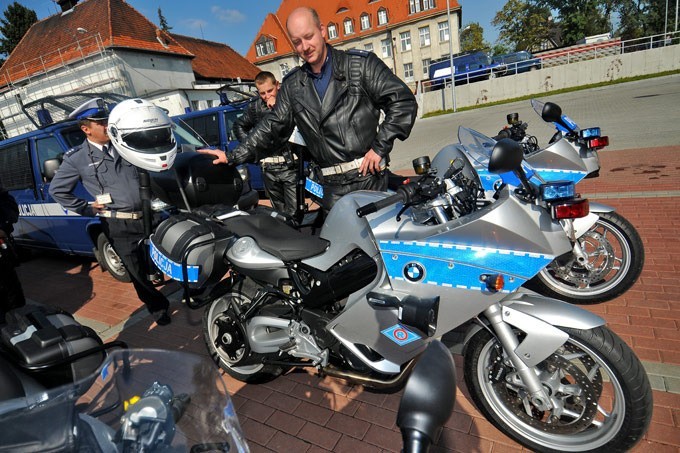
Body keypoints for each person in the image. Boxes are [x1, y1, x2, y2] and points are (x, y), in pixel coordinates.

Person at [201, 6, 417, 212]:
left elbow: (402, 101)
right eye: (297, 42)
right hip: (331, 189)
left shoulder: (359, 66)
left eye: (309, 36)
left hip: (369, 179)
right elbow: (272, 127)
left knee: (377, 247)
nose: (305, 47)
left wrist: (380, 147)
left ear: (322, 31)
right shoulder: (293, 86)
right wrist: (232, 156)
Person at [49, 98, 172, 326]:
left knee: (171, 253)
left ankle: (191, 289)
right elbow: (58, 190)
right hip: (118, 225)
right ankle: (158, 307)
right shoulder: (77, 159)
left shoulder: (125, 144)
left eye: (108, 120)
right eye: (102, 123)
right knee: (136, 272)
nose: (108, 125)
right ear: (86, 129)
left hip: (150, 215)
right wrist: (86, 208)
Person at [234, 71, 297, 215]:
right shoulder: (255, 107)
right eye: (262, 93)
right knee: (279, 214)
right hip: (268, 168)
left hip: (290, 166)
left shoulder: (288, 101)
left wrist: (277, 107)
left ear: (277, 85)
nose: (267, 96)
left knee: (294, 212)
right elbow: (238, 126)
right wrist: (253, 148)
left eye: (270, 90)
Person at [0, 183, 25, 320]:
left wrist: (4, 228)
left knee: (15, 302)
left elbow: (11, 213)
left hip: (3, 258)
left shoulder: (3, 196)